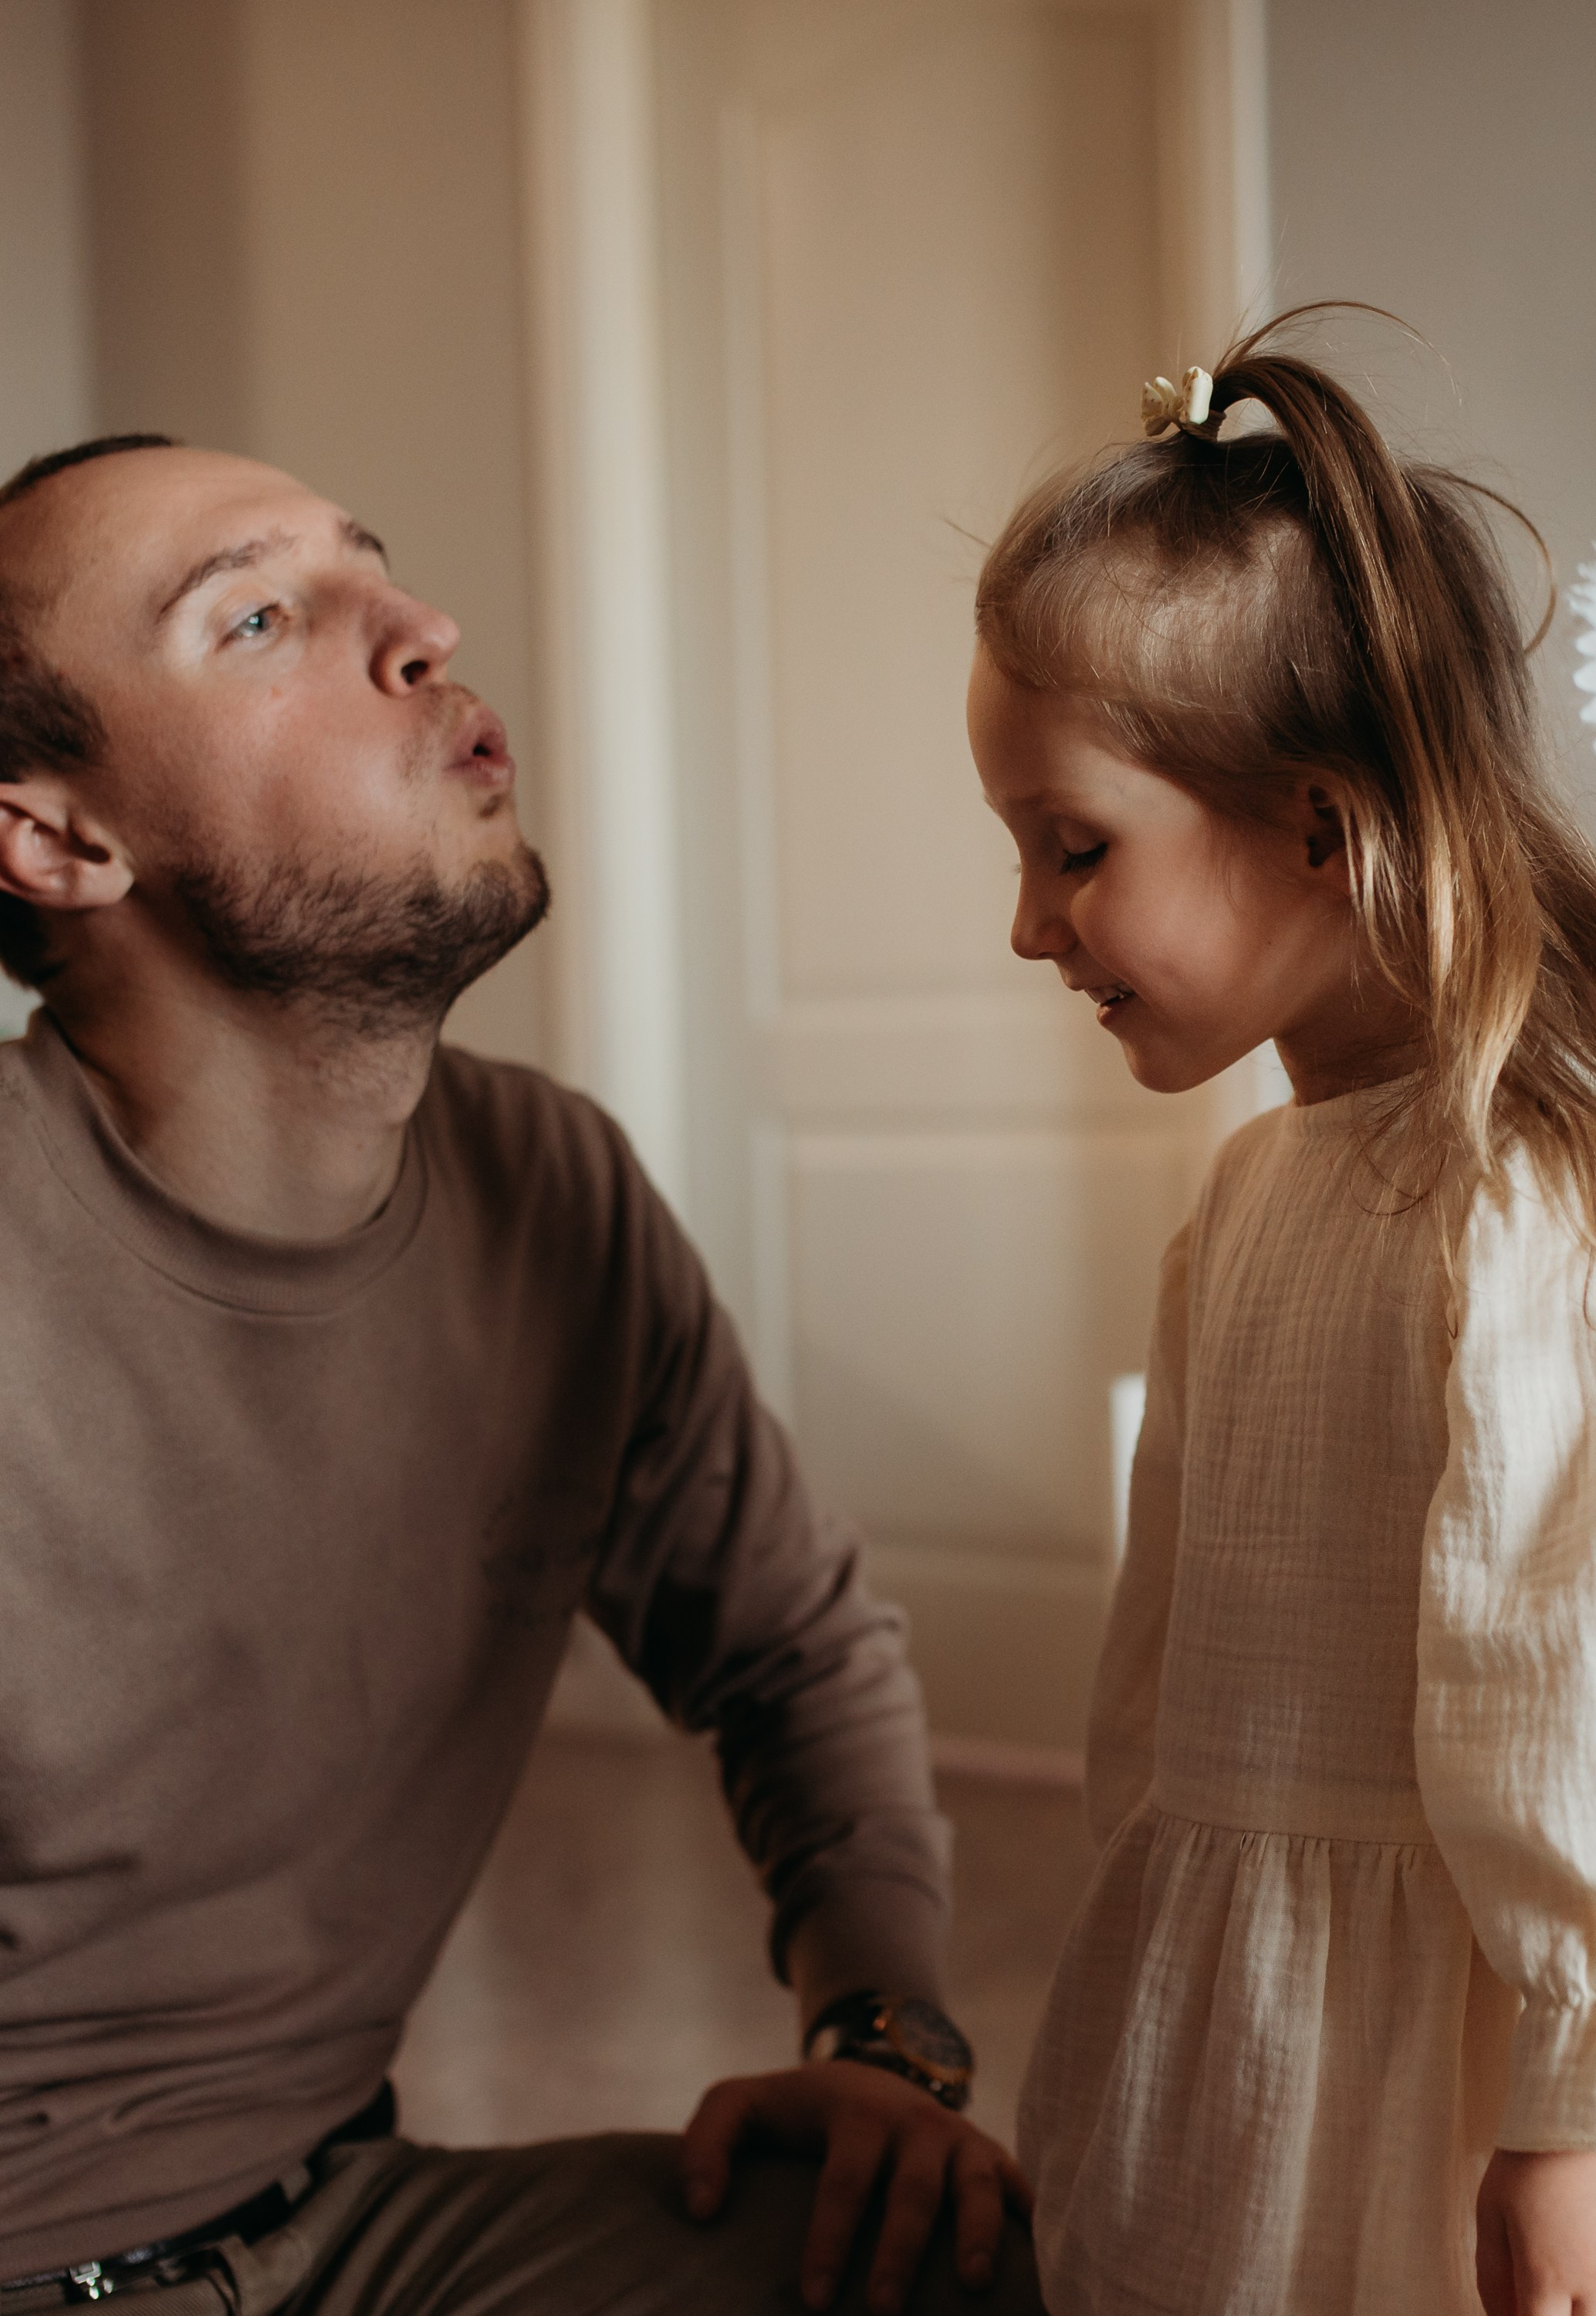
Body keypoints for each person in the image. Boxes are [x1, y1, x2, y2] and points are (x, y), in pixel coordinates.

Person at [0, 434, 1040, 2316]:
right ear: (64, 839)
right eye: (259, 616)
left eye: (374, 568)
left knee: (945, 2262)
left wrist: (884, 2037)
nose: (421, 629)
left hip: (352, 2227)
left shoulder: (552, 1194)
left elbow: (791, 1652)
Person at [965, 307, 1596, 2316]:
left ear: (1317, 820)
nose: (1032, 923)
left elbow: (1595, 1682)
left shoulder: (1541, 1189)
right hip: (1231, 2009)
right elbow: (1159, 1662)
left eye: (1075, 850)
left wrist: (1588, 2106)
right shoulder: (1254, 1185)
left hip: (1455, 2068)